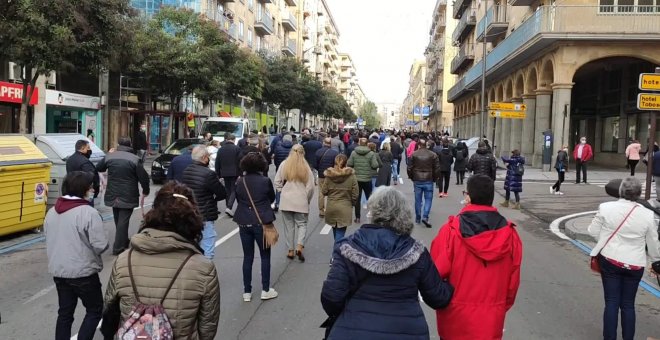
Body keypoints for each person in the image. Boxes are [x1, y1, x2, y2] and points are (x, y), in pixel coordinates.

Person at [321, 186, 454, 340]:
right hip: (407, 330)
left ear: (373, 211)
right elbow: (438, 298)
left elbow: (332, 296)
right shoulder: (417, 252)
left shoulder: (347, 247)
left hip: (353, 329)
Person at [102, 182, 220, 340]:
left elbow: (109, 308)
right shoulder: (203, 268)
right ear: (193, 220)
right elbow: (208, 326)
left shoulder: (124, 259)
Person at [431, 174, 523, 340]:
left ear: (468, 197)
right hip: (491, 319)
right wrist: (499, 307)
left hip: (455, 318)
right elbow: (512, 283)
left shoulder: (451, 231)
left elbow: (435, 274)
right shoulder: (510, 235)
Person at [587, 177, 660, 340]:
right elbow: (653, 243)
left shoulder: (606, 208)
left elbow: (592, 231)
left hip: (611, 259)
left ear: (621, 191)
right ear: (638, 193)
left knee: (611, 302)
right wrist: (656, 260)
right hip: (635, 263)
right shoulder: (647, 215)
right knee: (628, 304)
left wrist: (606, 239)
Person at [45, 172, 108, 340]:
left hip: (59, 271)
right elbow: (100, 245)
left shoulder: (52, 212)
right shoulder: (88, 212)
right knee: (94, 310)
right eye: (91, 187)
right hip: (83, 272)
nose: (93, 189)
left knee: (65, 313)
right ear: (83, 189)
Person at [233, 153, 279, 302]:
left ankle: (247, 291)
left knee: (248, 257)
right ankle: (265, 289)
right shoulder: (265, 181)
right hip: (261, 222)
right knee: (265, 256)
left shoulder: (240, 181)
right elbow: (271, 198)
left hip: (243, 221)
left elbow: (239, 199)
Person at [96, 137, 150, 255]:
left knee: (118, 219)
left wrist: (107, 155)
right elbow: (143, 177)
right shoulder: (135, 159)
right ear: (130, 145)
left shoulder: (110, 156)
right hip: (128, 194)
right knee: (123, 221)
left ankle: (123, 241)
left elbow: (99, 168)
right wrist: (146, 190)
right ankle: (118, 247)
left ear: (118, 144)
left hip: (113, 193)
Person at [182, 146, 227, 259]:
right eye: (208, 156)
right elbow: (222, 193)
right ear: (204, 158)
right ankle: (205, 274)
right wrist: (214, 198)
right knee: (207, 249)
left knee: (193, 247)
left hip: (190, 213)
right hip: (205, 214)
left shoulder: (186, 171)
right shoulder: (208, 174)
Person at [275, 144, 315, 262]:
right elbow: (311, 187)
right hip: (300, 199)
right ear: (303, 153)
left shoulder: (284, 164)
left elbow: (277, 181)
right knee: (302, 224)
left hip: (286, 200)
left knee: (289, 226)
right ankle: (299, 246)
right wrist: (306, 199)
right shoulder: (306, 167)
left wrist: (282, 192)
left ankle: (290, 250)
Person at [322, 154, 358, 257]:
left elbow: (324, 191)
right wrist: (352, 203)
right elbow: (355, 193)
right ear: (346, 163)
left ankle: (336, 251)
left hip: (332, 206)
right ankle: (335, 256)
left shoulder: (329, 176)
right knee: (340, 233)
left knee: (336, 232)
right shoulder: (351, 176)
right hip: (345, 206)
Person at [408, 139, 441, 228]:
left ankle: (418, 218)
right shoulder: (433, 155)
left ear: (418, 145)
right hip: (428, 179)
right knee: (428, 199)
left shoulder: (414, 154)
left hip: (417, 179)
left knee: (418, 200)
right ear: (426, 145)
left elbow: (409, 168)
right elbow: (437, 168)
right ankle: (425, 216)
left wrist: (412, 177)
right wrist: (434, 178)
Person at [347, 138, 381, 223]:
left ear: (359, 143)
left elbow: (349, 164)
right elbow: (375, 165)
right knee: (369, 197)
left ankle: (357, 218)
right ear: (367, 144)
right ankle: (372, 215)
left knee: (357, 199)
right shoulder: (371, 153)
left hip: (356, 179)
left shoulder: (354, 153)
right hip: (367, 178)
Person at [66, 139, 100, 206]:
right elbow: (92, 178)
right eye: (88, 148)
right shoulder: (85, 162)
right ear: (82, 148)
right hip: (85, 192)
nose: (89, 150)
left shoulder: (70, 159)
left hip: (72, 191)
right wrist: (95, 191)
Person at [216, 133, 241, 217]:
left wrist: (219, 175)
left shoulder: (221, 149)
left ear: (227, 140)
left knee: (227, 189)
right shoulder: (237, 149)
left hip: (224, 172)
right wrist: (240, 173)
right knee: (234, 189)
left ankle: (228, 206)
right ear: (234, 140)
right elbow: (240, 162)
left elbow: (217, 163)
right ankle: (229, 207)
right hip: (235, 172)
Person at [315, 138, 340, 217]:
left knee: (321, 193)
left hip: (321, 175)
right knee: (331, 193)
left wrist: (319, 169)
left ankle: (321, 211)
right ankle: (330, 210)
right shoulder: (335, 153)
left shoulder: (318, 151)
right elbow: (336, 165)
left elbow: (315, 164)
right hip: (331, 175)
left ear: (323, 143)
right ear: (331, 144)